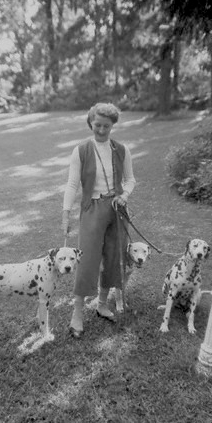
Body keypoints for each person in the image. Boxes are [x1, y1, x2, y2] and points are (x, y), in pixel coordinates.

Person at [61, 102, 136, 338]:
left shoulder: (121, 149)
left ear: (113, 126)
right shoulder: (81, 150)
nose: (102, 130)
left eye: (106, 126)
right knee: (88, 259)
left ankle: (102, 304)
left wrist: (124, 195)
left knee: (114, 256)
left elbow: (131, 180)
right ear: (90, 123)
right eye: (97, 125)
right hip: (92, 208)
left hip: (116, 208)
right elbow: (73, 184)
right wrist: (66, 213)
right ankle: (77, 313)